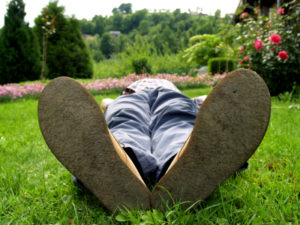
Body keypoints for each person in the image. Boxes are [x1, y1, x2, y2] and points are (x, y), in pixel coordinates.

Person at [38, 69, 271, 211]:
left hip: (153, 98)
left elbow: (108, 104)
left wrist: (110, 105)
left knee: (127, 122)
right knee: (176, 120)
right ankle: (173, 159)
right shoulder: (133, 90)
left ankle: (129, 158)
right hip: (147, 98)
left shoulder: (147, 90)